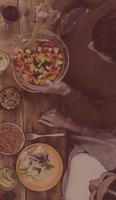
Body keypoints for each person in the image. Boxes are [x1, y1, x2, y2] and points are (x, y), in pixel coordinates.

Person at [40, 1, 116, 129]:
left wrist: (67, 92)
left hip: (65, 95)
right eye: (93, 38)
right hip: (54, 48)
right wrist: (55, 9)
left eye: (98, 50)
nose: (89, 45)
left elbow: (102, 120)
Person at [39, 109, 116, 200]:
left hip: (47, 187)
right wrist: (66, 123)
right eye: (104, 177)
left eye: (95, 195)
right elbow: (95, 135)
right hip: (59, 144)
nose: (92, 182)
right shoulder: (112, 151)